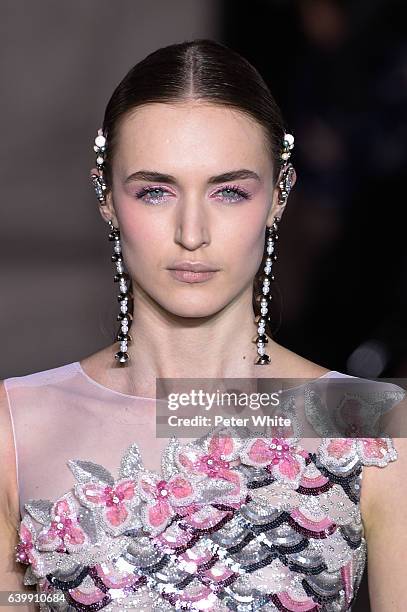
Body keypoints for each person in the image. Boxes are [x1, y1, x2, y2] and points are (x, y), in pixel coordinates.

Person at [0, 38, 406, 612]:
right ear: (106, 196)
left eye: (230, 191)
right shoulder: (14, 429)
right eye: (156, 191)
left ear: (279, 195)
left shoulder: (373, 425)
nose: (193, 232)